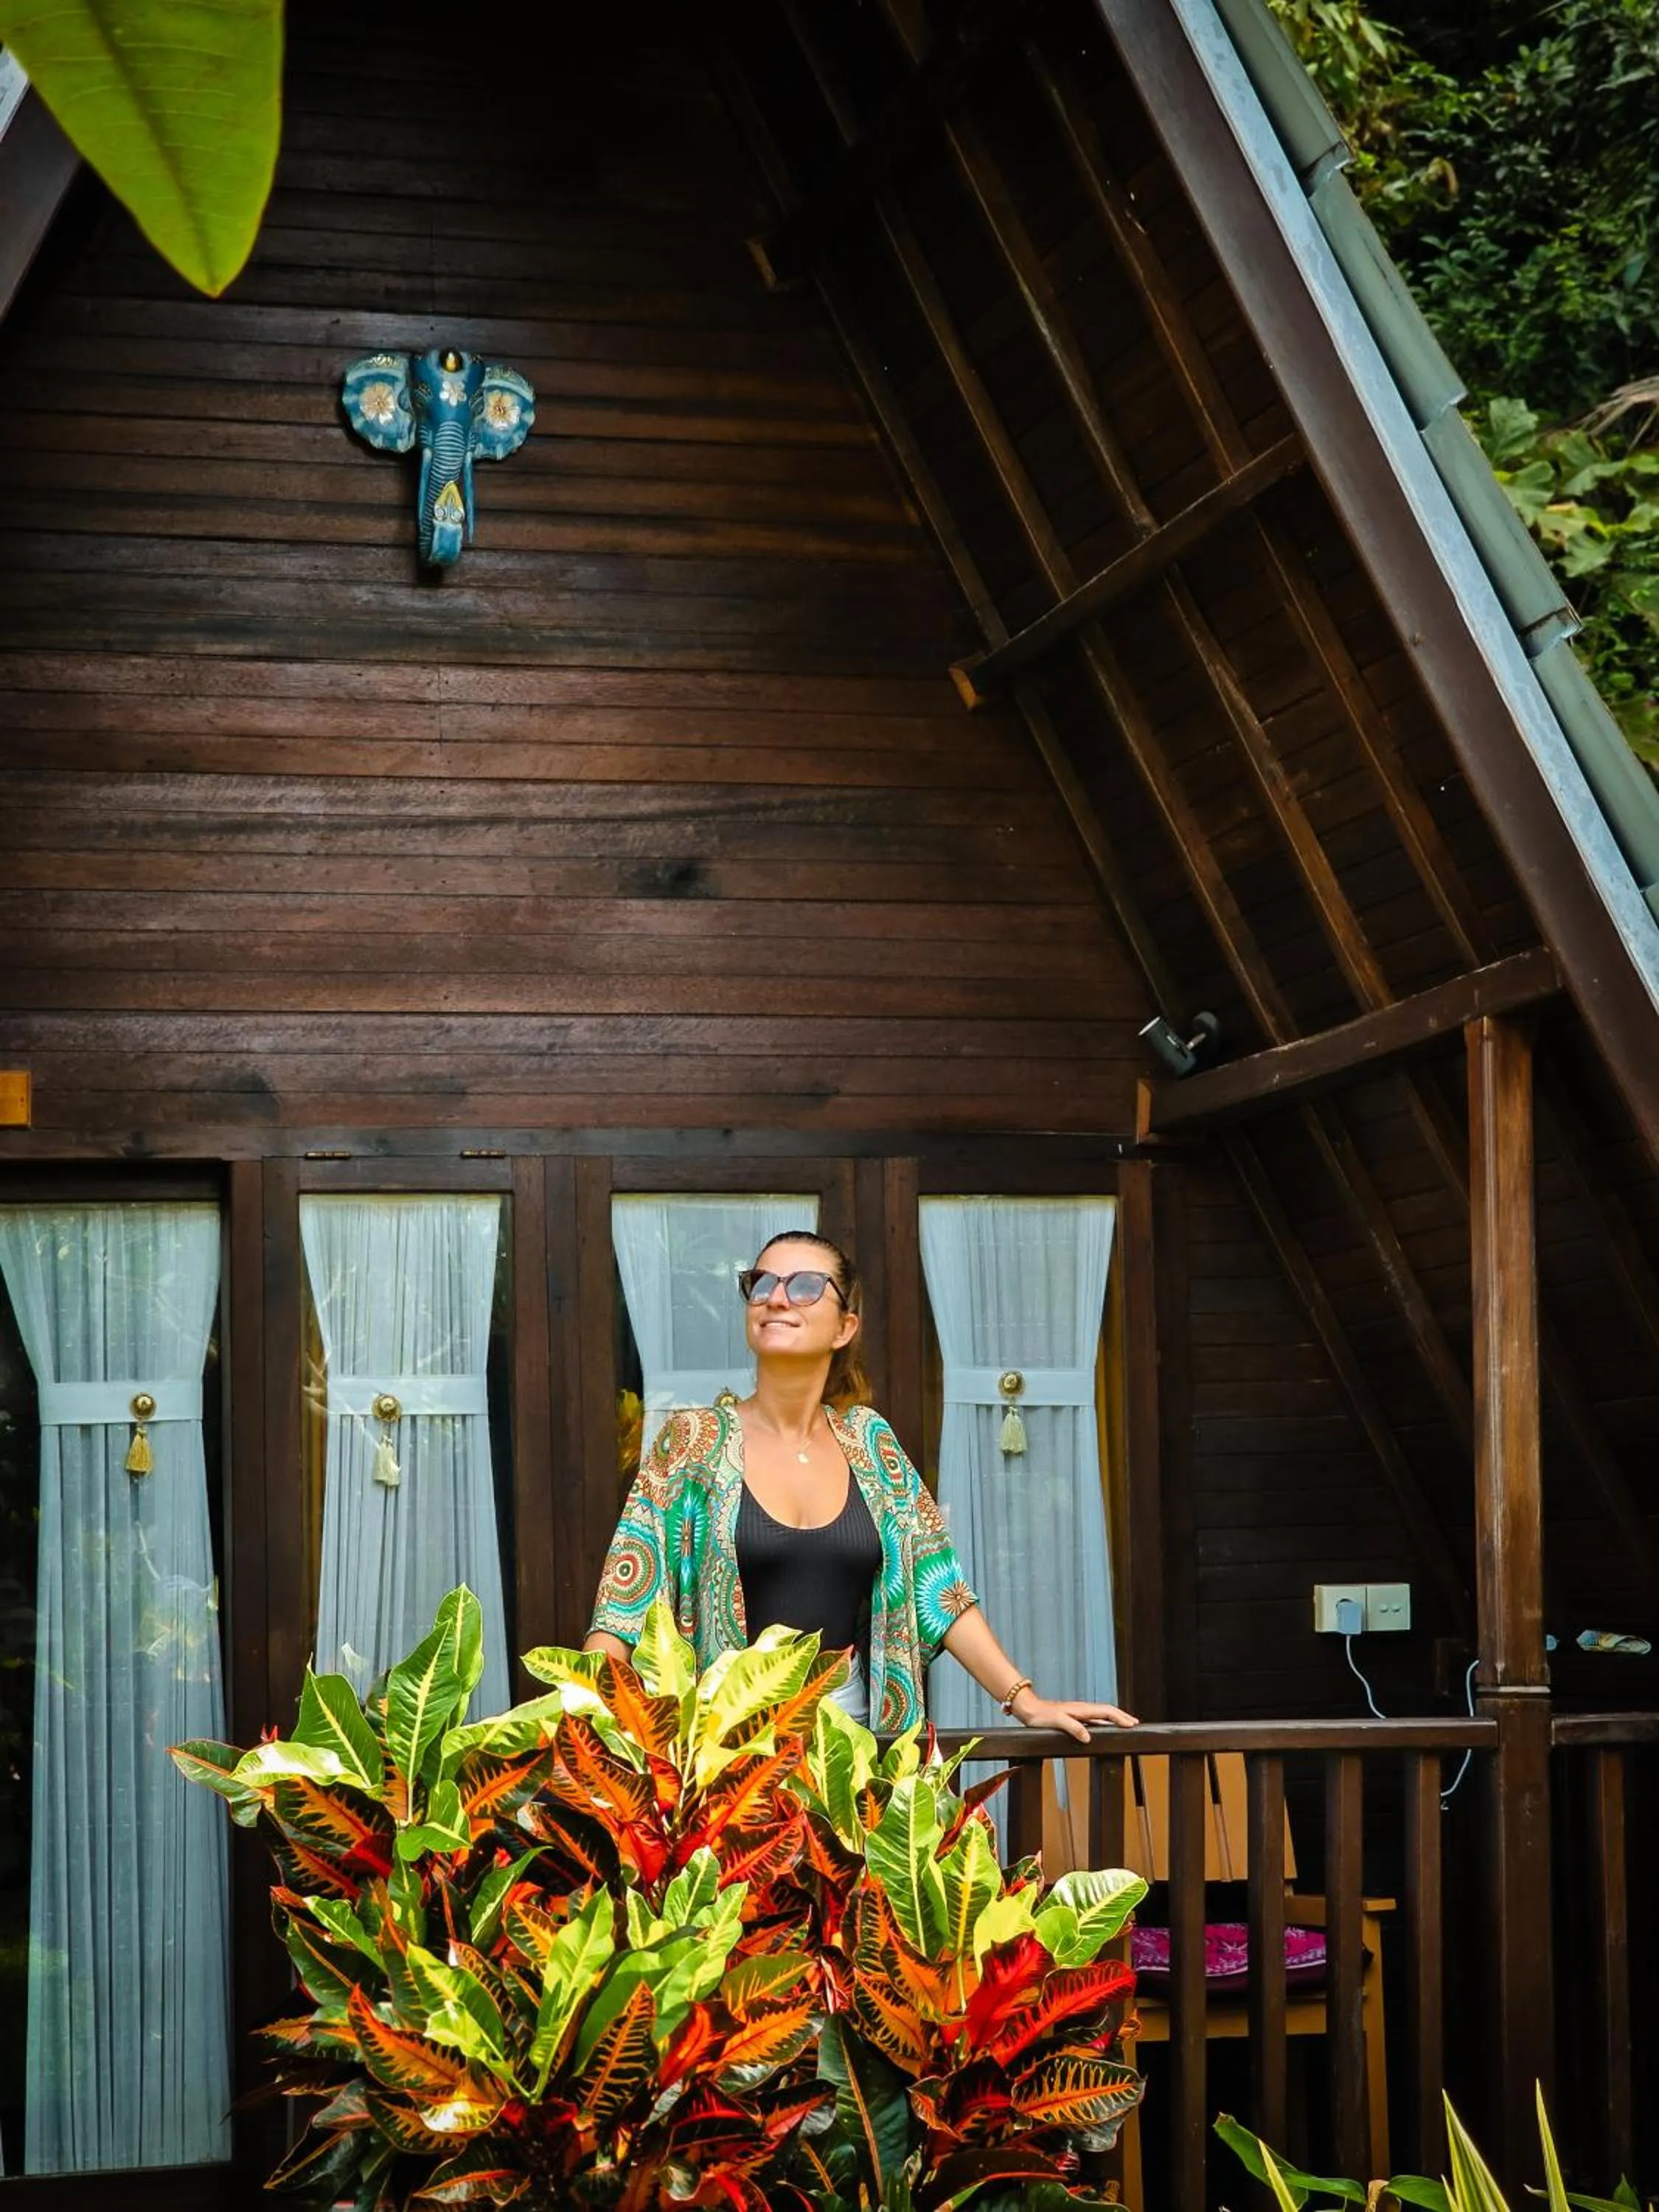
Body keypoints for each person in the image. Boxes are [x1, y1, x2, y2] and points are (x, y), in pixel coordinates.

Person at [585, 1228, 1137, 1739]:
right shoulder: (692, 1442)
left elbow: (937, 1584)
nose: (777, 1298)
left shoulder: (870, 1442)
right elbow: (623, 1605)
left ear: (845, 1327)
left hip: (857, 1750)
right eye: (761, 1285)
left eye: (804, 1287)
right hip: (723, 1758)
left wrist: (1025, 1700)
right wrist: (587, 1735)